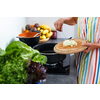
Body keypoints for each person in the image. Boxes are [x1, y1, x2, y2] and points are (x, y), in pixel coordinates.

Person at [54, 17, 100, 84]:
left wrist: (95, 45)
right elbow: (76, 19)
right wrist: (63, 20)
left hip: (96, 60)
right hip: (81, 57)